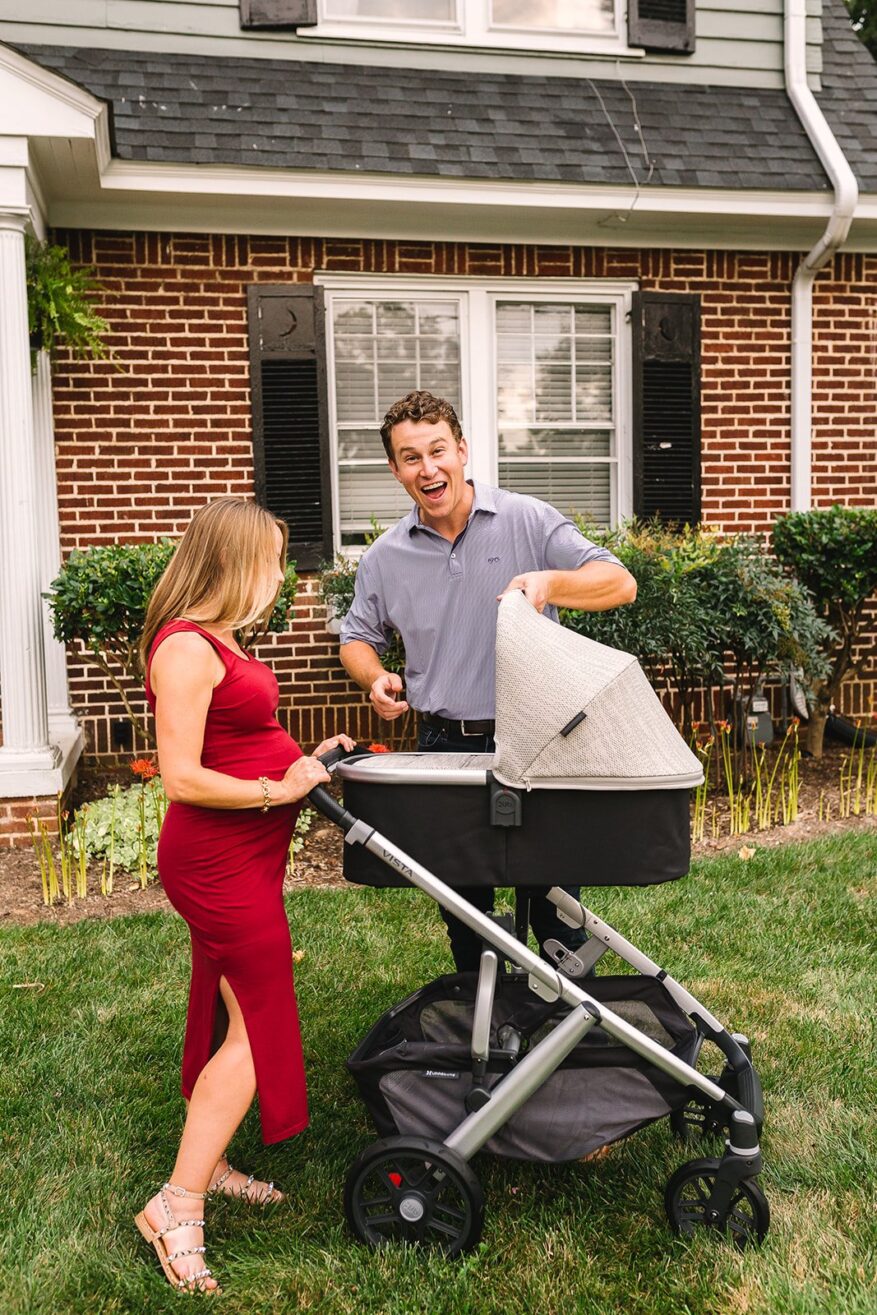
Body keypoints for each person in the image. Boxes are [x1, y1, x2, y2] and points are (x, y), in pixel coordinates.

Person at [134, 498, 354, 1293]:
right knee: (257, 1028)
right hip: (215, 861)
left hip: (245, 856)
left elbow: (242, 735)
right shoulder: (186, 647)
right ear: (228, 560)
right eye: (267, 559)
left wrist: (307, 757)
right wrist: (277, 785)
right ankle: (176, 1202)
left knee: (228, 1005)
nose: (278, 575)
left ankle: (212, 1156)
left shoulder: (222, 638)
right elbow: (182, 776)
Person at [339, 390, 637, 972]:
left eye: (437, 450)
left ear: (462, 450)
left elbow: (618, 582)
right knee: (462, 906)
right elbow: (356, 638)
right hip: (443, 745)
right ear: (395, 469)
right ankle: (485, 1016)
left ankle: (564, 1019)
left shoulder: (526, 519)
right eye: (410, 457)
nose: (428, 468)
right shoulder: (384, 557)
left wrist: (550, 584)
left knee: (554, 903)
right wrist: (373, 678)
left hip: (535, 740)